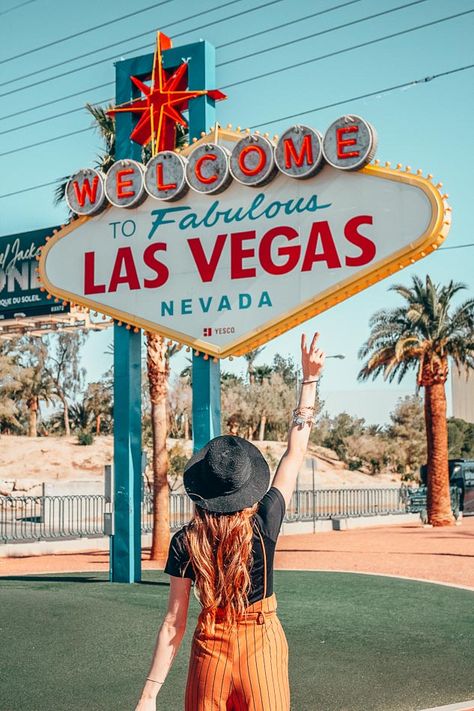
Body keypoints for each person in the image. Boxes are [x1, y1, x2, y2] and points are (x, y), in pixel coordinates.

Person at [135, 332, 325, 710]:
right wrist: (309, 380)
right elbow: (294, 452)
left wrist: (149, 695)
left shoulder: (186, 541)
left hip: (212, 646)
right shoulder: (266, 518)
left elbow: (174, 623)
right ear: (247, 485)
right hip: (262, 643)